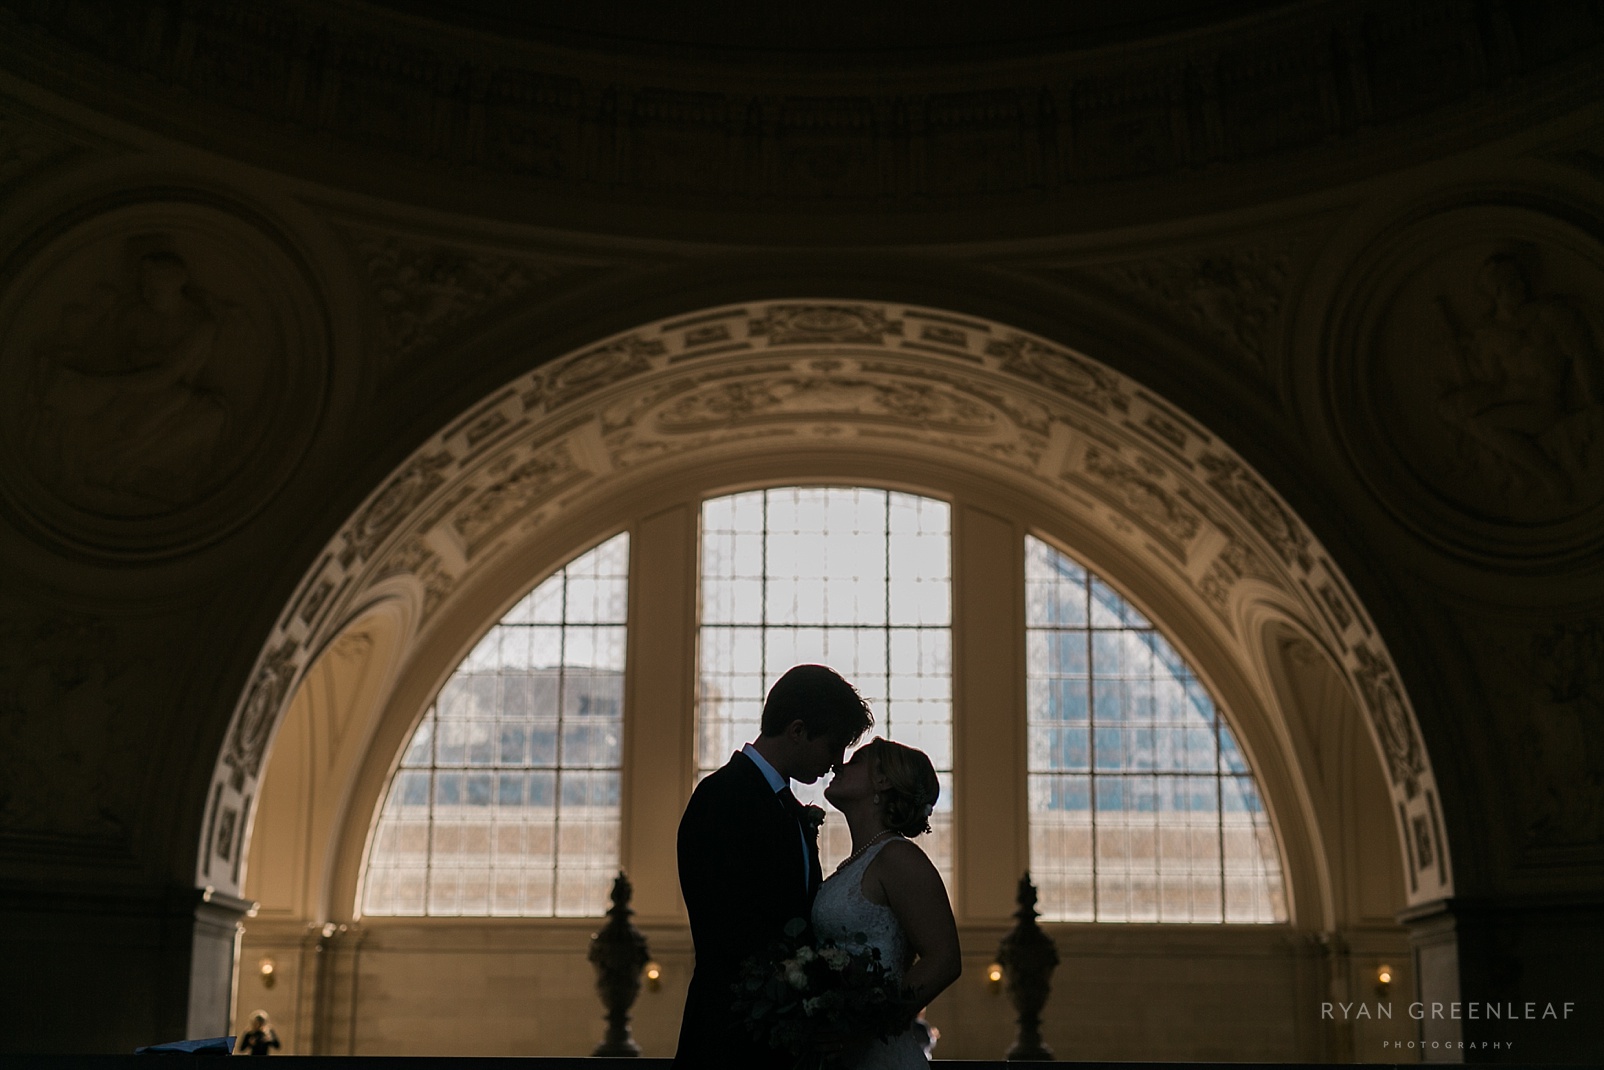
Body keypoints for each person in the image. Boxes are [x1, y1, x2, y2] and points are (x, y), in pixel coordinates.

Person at [673, 664, 874, 1069]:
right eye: (833, 746)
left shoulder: (786, 807)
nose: (837, 763)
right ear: (797, 731)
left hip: (779, 1044)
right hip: (730, 1043)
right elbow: (728, 928)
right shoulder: (721, 798)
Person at [812, 737, 962, 1069]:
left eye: (857, 760)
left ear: (882, 781)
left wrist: (863, 1027)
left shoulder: (899, 858)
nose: (840, 765)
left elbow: (945, 959)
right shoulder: (856, 863)